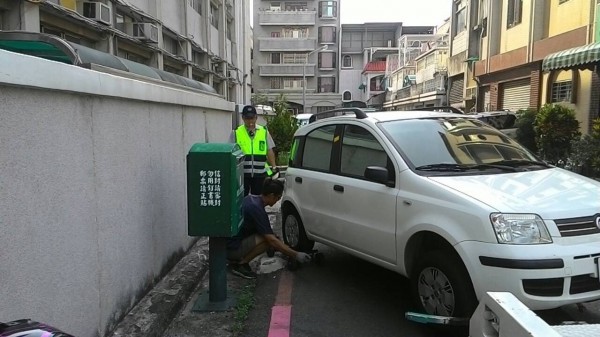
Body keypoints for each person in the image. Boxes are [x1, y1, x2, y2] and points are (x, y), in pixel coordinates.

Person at [227, 178, 312, 279]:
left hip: (228, 242)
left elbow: (267, 233)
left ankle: (239, 260)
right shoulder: (257, 210)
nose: (277, 201)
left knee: (272, 238)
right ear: (271, 195)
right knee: (268, 241)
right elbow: (271, 239)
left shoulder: (251, 199)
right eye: (278, 197)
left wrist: (280, 247)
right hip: (230, 249)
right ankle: (240, 264)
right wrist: (296, 254)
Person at [229, 105, 277, 196]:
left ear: (256, 117)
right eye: (247, 118)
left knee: (258, 198)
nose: (250, 121)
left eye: (252, 118)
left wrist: (274, 167)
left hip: (260, 174)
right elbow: (230, 152)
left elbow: (269, 150)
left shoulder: (264, 131)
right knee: (242, 199)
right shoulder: (236, 132)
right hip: (242, 174)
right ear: (243, 118)